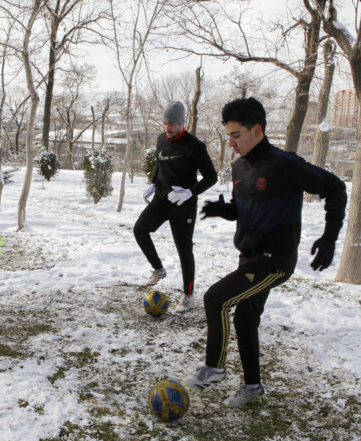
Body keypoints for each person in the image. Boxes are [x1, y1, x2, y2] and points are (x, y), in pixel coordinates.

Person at [183, 97, 347, 408]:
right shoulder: (238, 167)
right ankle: (253, 386)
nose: (231, 142)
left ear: (256, 130)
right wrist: (226, 210)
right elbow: (248, 208)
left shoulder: (284, 164)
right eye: (228, 135)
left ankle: (214, 368)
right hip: (249, 257)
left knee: (215, 297)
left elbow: (335, 188)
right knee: (245, 319)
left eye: (236, 135)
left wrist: (329, 238)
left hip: (275, 261)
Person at [134, 101, 218, 312]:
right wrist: (153, 182)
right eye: (164, 123)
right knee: (139, 229)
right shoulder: (161, 139)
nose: (167, 128)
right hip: (162, 199)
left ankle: (188, 295)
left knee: (184, 250)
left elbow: (211, 177)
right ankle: (158, 269)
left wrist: (190, 192)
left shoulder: (195, 145)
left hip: (183, 204)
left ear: (181, 123)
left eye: (171, 124)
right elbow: (160, 163)